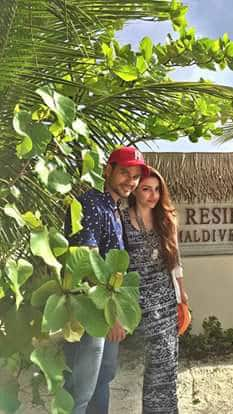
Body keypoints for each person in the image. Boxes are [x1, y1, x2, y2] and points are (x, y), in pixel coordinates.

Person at [63, 146, 149, 414]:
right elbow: (87, 264)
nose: (130, 181)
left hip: (107, 310)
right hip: (90, 313)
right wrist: (111, 316)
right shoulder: (91, 202)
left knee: (103, 379)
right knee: (81, 391)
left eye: (135, 177)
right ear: (107, 170)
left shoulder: (114, 210)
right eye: (124, 172)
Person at [121, 167, 187, 414]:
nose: (153, 195)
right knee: (158, 360)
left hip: (165, 296)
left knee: (168, 360)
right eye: (147, 189)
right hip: (139, 297)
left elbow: (176, 261)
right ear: (135, 190)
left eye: (157, 189)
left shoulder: (166, 218)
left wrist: (182, 295)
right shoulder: (122, 219)